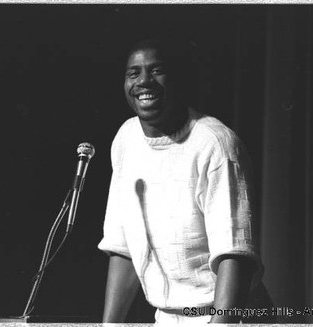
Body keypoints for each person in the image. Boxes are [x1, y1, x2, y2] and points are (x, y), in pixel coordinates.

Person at [98, 38, 263, 324]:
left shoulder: (215, 143)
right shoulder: (126, 139)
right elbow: (123, 246)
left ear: (178, 79)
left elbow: (233, 254)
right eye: (133, 73)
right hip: (166, 317)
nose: (144, 81)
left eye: (157, 70)